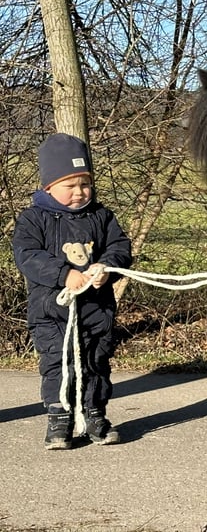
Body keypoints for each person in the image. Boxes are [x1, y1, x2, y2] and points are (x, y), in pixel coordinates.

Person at [12, 133, 132, 450]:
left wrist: (106, 267)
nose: (79, 192)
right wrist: (64, 274)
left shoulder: (102, 216)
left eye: (85, 184)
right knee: (57, 363)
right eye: (71, 186)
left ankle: (95, 415)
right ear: (48, 186)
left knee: (96, 362)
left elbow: (120, 247)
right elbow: (27, 255)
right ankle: (59, 419)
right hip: (51, 312)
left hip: (96, 310)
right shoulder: (32, 219)